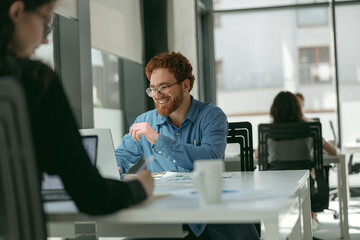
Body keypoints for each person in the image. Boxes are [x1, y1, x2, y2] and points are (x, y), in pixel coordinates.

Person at [0, 0, 154, 215]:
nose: (45, 39)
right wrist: (140, 187)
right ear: (17, 12)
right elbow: (93, 196)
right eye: (46, 22)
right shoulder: (35, 82)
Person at [115, 52, 259, 240]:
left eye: (164, 87)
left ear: (186, 85)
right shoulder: (144, 121)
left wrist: (159, 140)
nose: (157, 95)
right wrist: (114, 166)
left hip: (208, 208)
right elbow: (120, 157)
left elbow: (211, 158)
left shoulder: (211, 116)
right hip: (162, 210)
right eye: (152, 89)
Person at [268, 91, 337, 230]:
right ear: (298, 108)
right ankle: (309, 219)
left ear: (274, 109)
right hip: (304, 190)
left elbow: (258, 155)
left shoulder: (268, 131)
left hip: (275, 190)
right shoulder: (310, 129)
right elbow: (333, 152)